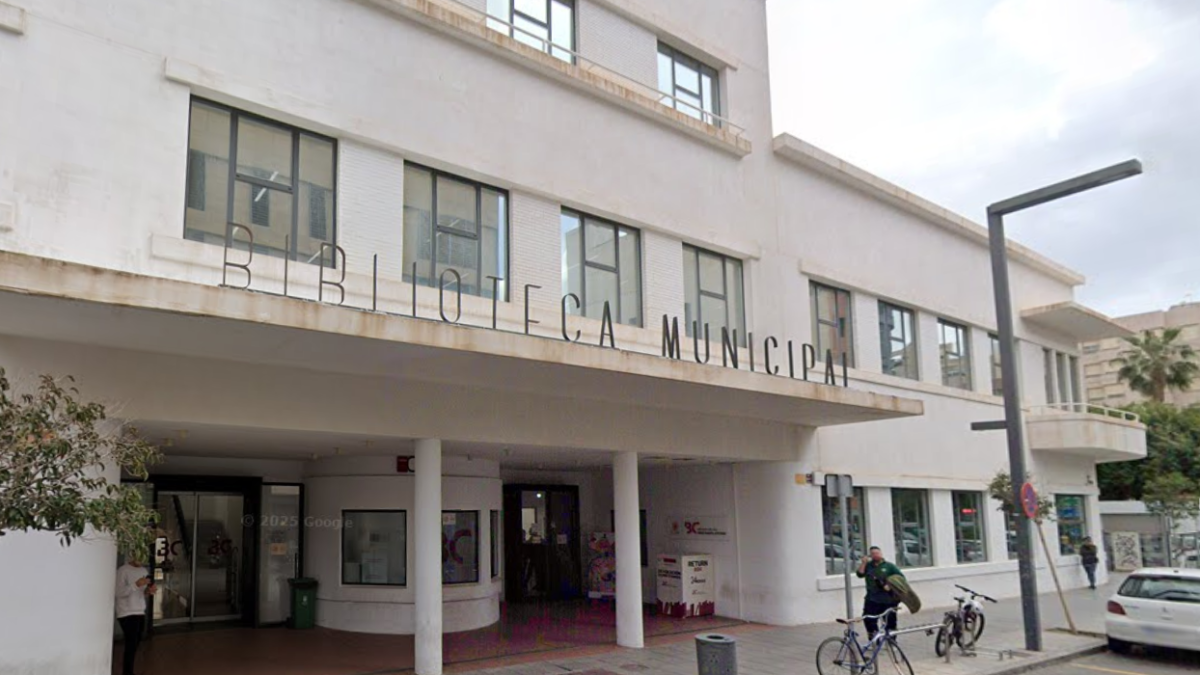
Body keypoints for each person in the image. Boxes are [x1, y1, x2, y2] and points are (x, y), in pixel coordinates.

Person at [115, 557, 155, 675]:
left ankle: (128, 671)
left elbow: (142, 593)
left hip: (139, 611)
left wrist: (149, 591)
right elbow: (118, 593)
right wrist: (136, 584)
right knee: (131, 644)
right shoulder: (123, 570)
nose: (140, 558)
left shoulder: (143, 571)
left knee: (135, 643)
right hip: (126, 612)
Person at [856, 546, 904, 637]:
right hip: (872, 599)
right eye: (873, 553)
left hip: (888, 600)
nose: (875, 555)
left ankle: (891, 641)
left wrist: (889, 585)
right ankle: (874, 640)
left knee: (890, 621)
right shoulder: (868, 566)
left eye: (877, 553)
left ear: (881, 554)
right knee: (868, 619)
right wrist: (863, 563)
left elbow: (901, 579)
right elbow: (860, 574)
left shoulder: (889, 566)